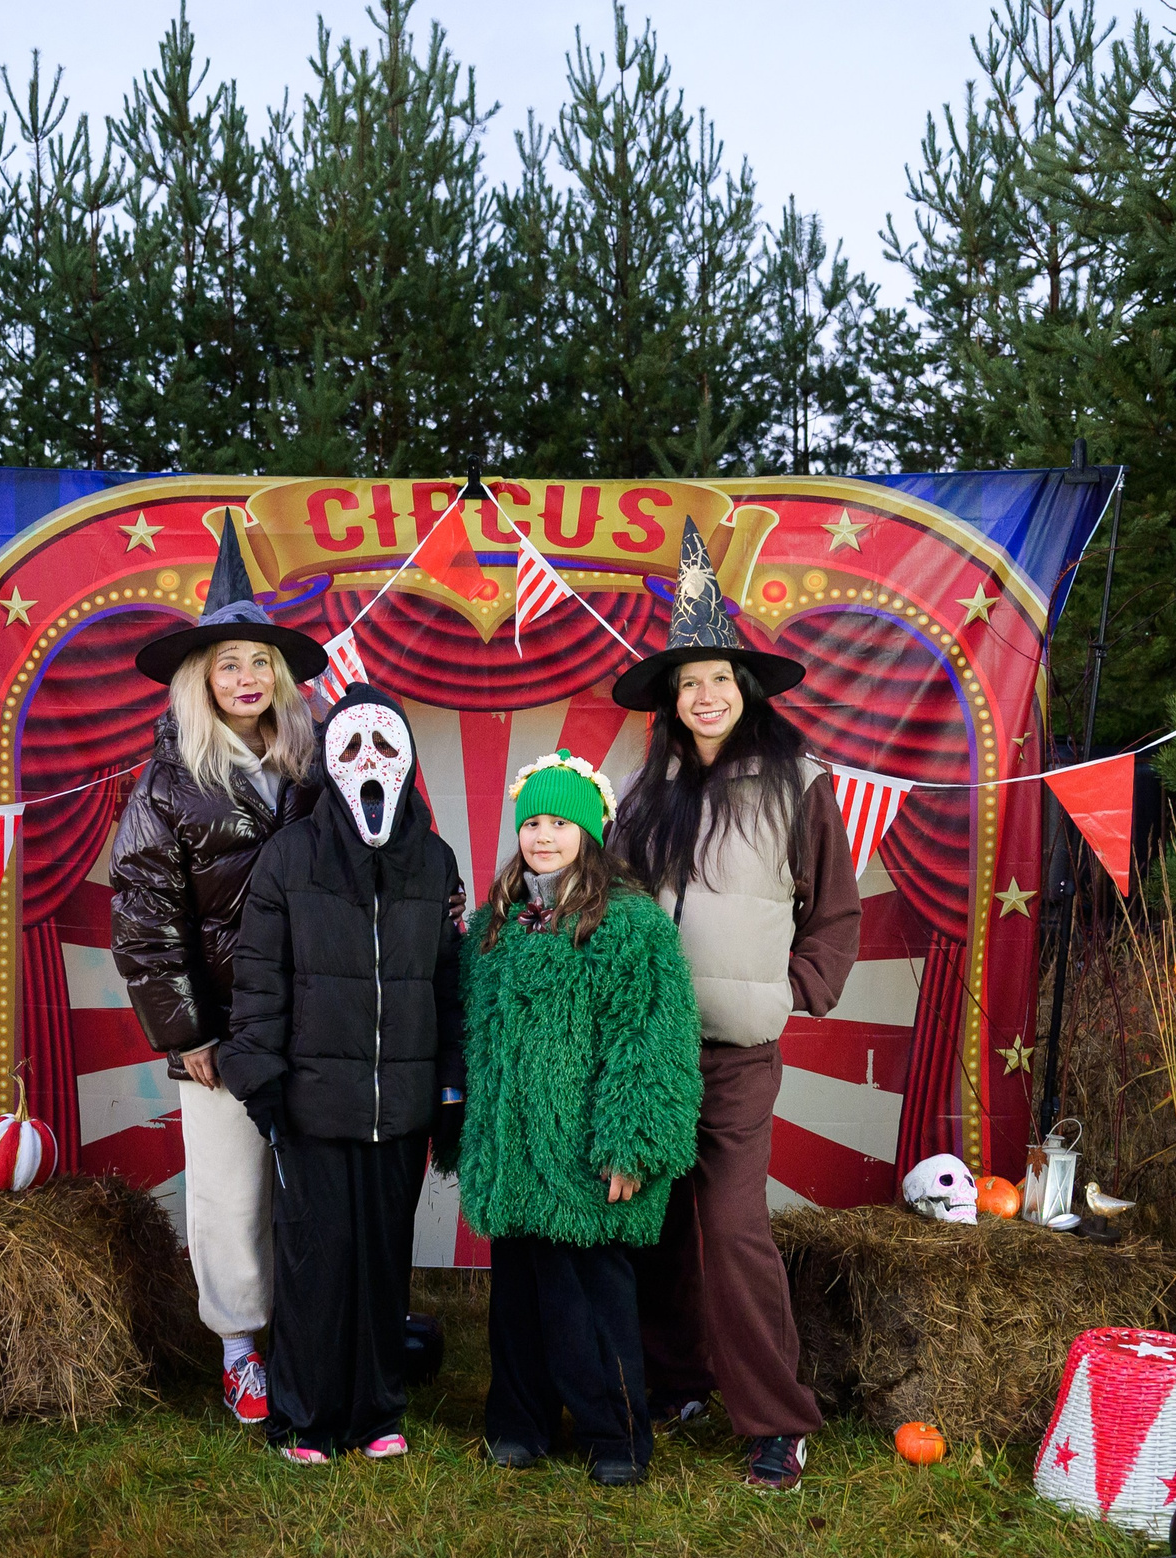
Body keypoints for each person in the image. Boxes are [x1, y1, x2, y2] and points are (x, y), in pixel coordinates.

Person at [610, 519, 862, 1493]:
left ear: (744, 687)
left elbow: (833, 908)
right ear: (671, 700)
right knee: (661, 1222)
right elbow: (619, 906)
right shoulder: (649, 792)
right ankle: (676, 1380)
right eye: (688, 683)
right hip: (654, 1047)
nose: (704, 695)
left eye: (718, 678)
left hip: (739, 1050)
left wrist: (793, 989)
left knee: (730, 1224)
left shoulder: (796, 784)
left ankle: (776, 1421)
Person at [109, 514, 326, 1428]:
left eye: (258, 663)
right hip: (224, 1025)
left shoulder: (313, 767)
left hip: (313, 1015)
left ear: (279, 676)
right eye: (228, 663)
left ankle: (318, 1334)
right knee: (231, 1189)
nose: (245, 678)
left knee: (312, 1182)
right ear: (200, 678)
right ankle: (240, 1349)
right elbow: (144, 919)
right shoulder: (168, 785)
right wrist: (187, 1030)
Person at [220, 682, 466, 1465]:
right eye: (351, 746)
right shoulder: (289, 857)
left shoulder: (435, 861)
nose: (368, 761)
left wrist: (450, 1085)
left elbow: (450, 981)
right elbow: (259, 977)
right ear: (328, 761)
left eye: (384, 745)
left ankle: (376, 1411)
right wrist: (262, 1082)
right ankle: (306, 1417)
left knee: (383, 1260)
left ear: (408, 760)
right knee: (315, 1259)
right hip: (312, 1106)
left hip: (400, 1106)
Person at [454, 749, 702, 1487]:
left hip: (583, 1155)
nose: (543, 835)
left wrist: (632, 1142)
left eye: (560, 823)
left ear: (589, 831)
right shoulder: (495, 926)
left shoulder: (629, 924)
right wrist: (471, 1132)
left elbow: (652, 1040)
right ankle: (520, 1422)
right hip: (514, 1151)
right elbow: (472, 1035)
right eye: (532, 822)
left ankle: (614, 1433)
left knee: (591, 1302)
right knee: (519, 1301)